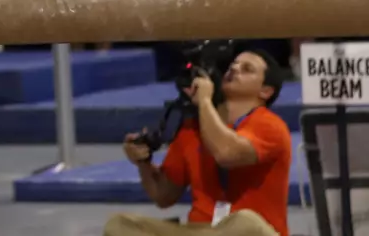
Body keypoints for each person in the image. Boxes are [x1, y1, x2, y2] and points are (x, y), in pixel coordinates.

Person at [107, 49, 291, 236]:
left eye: (247, 69)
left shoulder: (271, 125)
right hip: (200, 230)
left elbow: (226, 153)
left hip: (243, 231)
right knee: (120, 225)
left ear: (265, 91)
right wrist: (143, 161)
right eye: (233, 65)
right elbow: (163, 195)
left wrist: (204, 101)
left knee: (246, 222)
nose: (235, 69)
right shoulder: (192, 127)